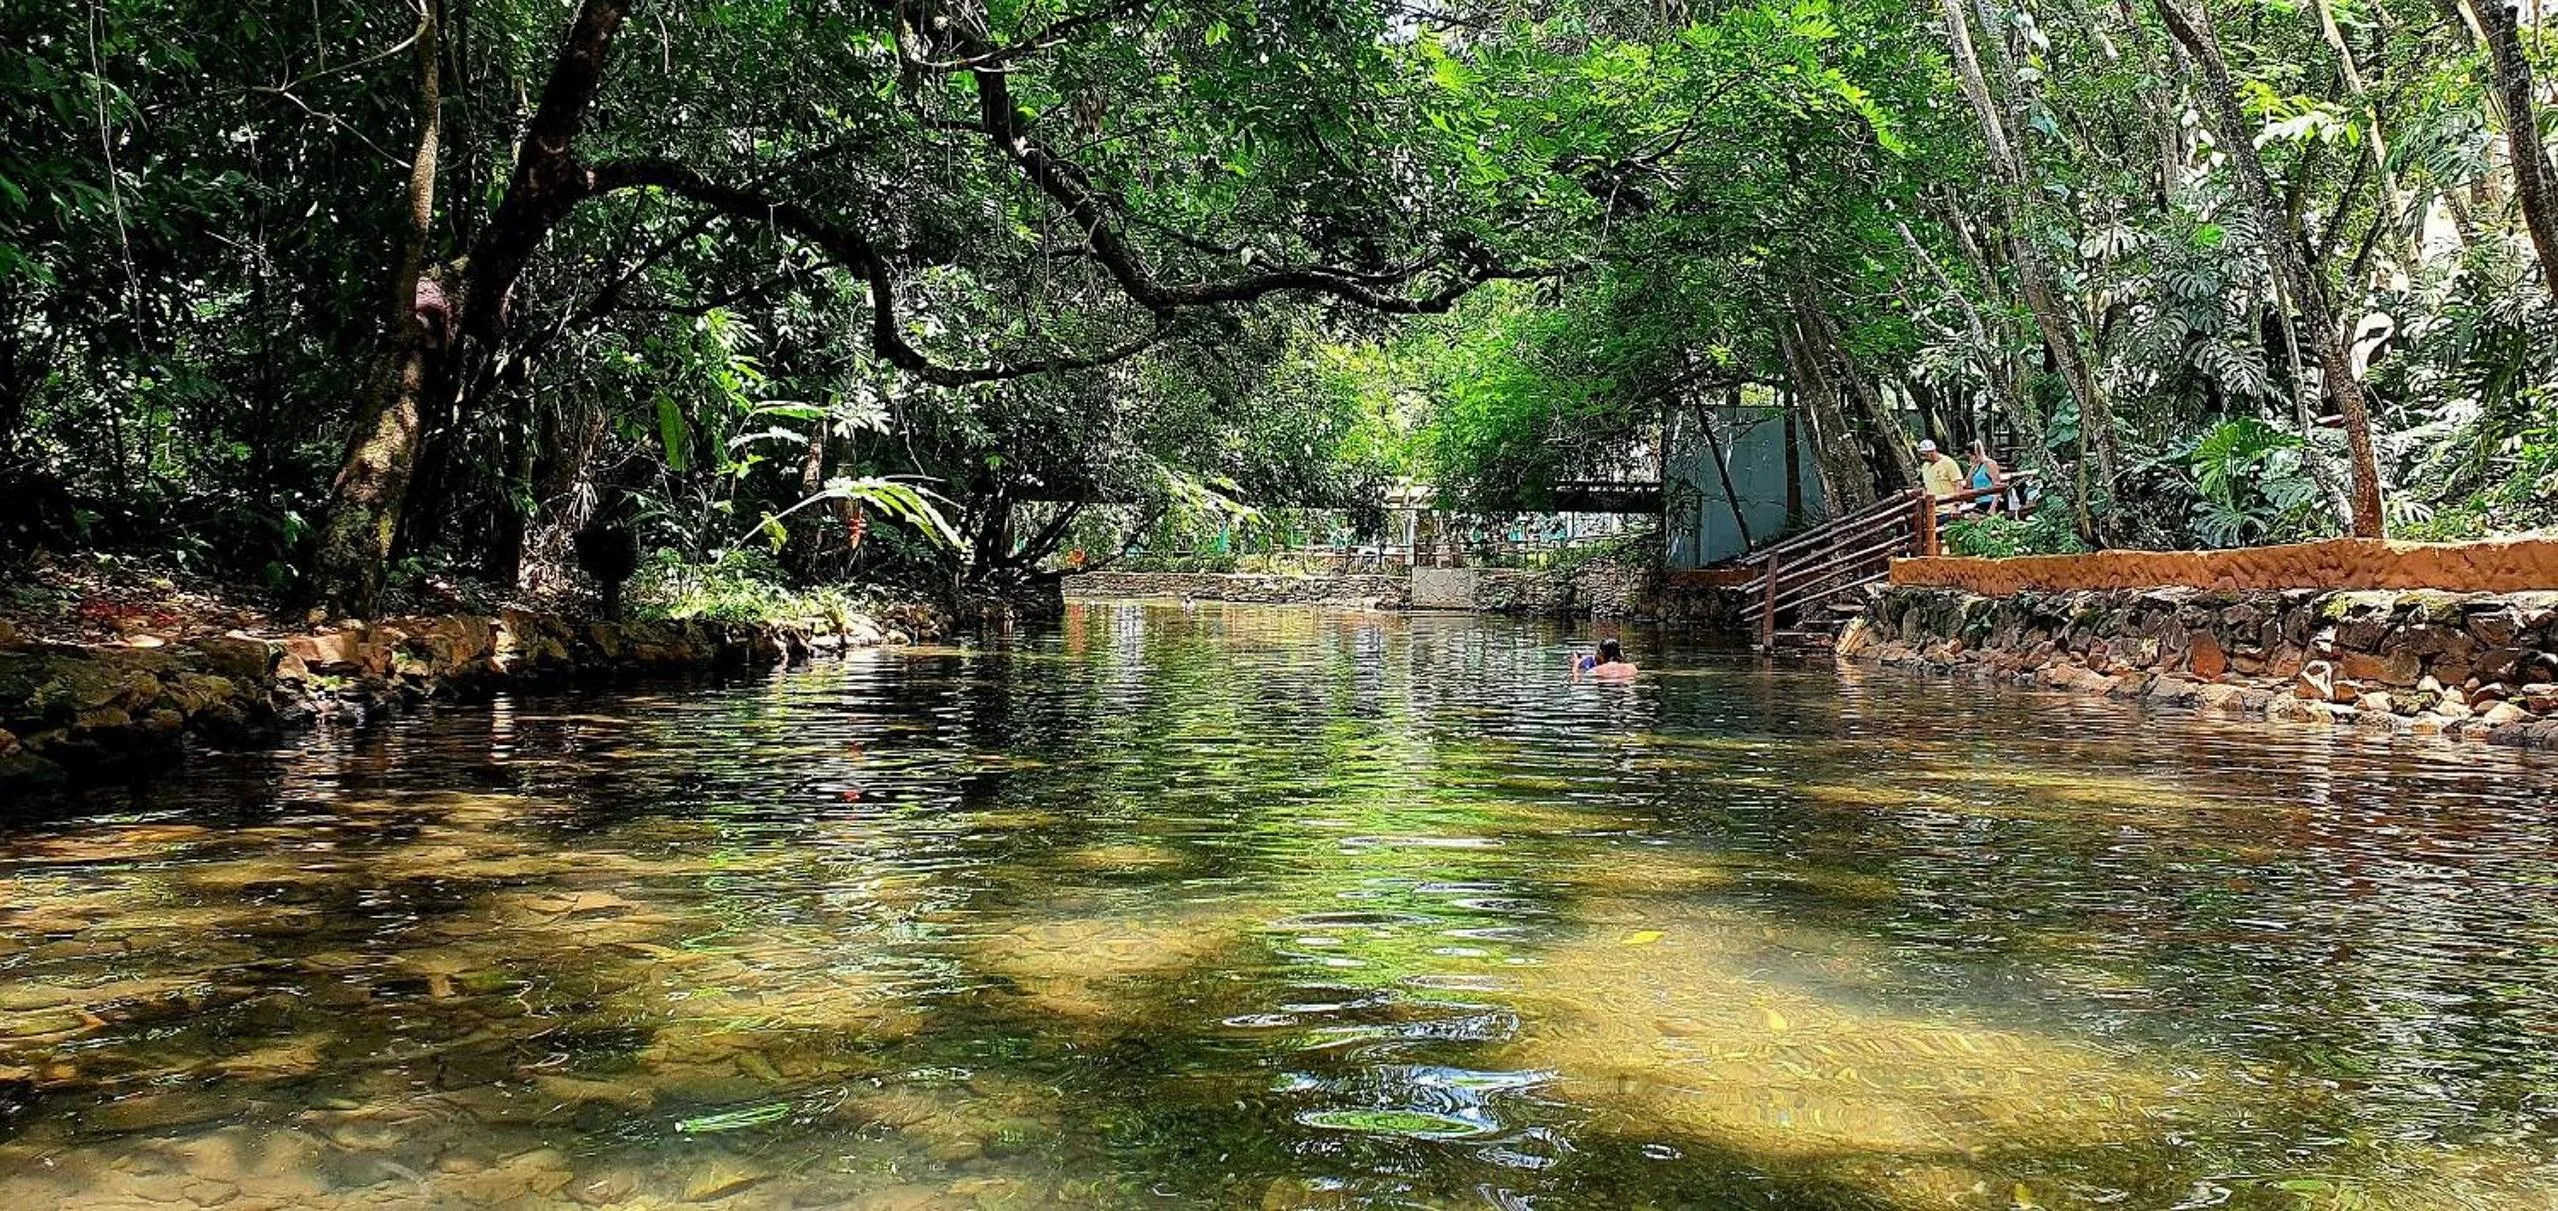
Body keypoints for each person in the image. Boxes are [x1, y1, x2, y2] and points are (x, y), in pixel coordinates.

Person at [1966, 441, 2006, 513]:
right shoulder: (1976, 467)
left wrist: (1993, 507)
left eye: (1969, 456)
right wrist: (1972, 467)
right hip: (1979, 502)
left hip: (1990, 502)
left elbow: (1997, 486)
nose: (1969, 459)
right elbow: (1968, 484)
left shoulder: (1990, 464)